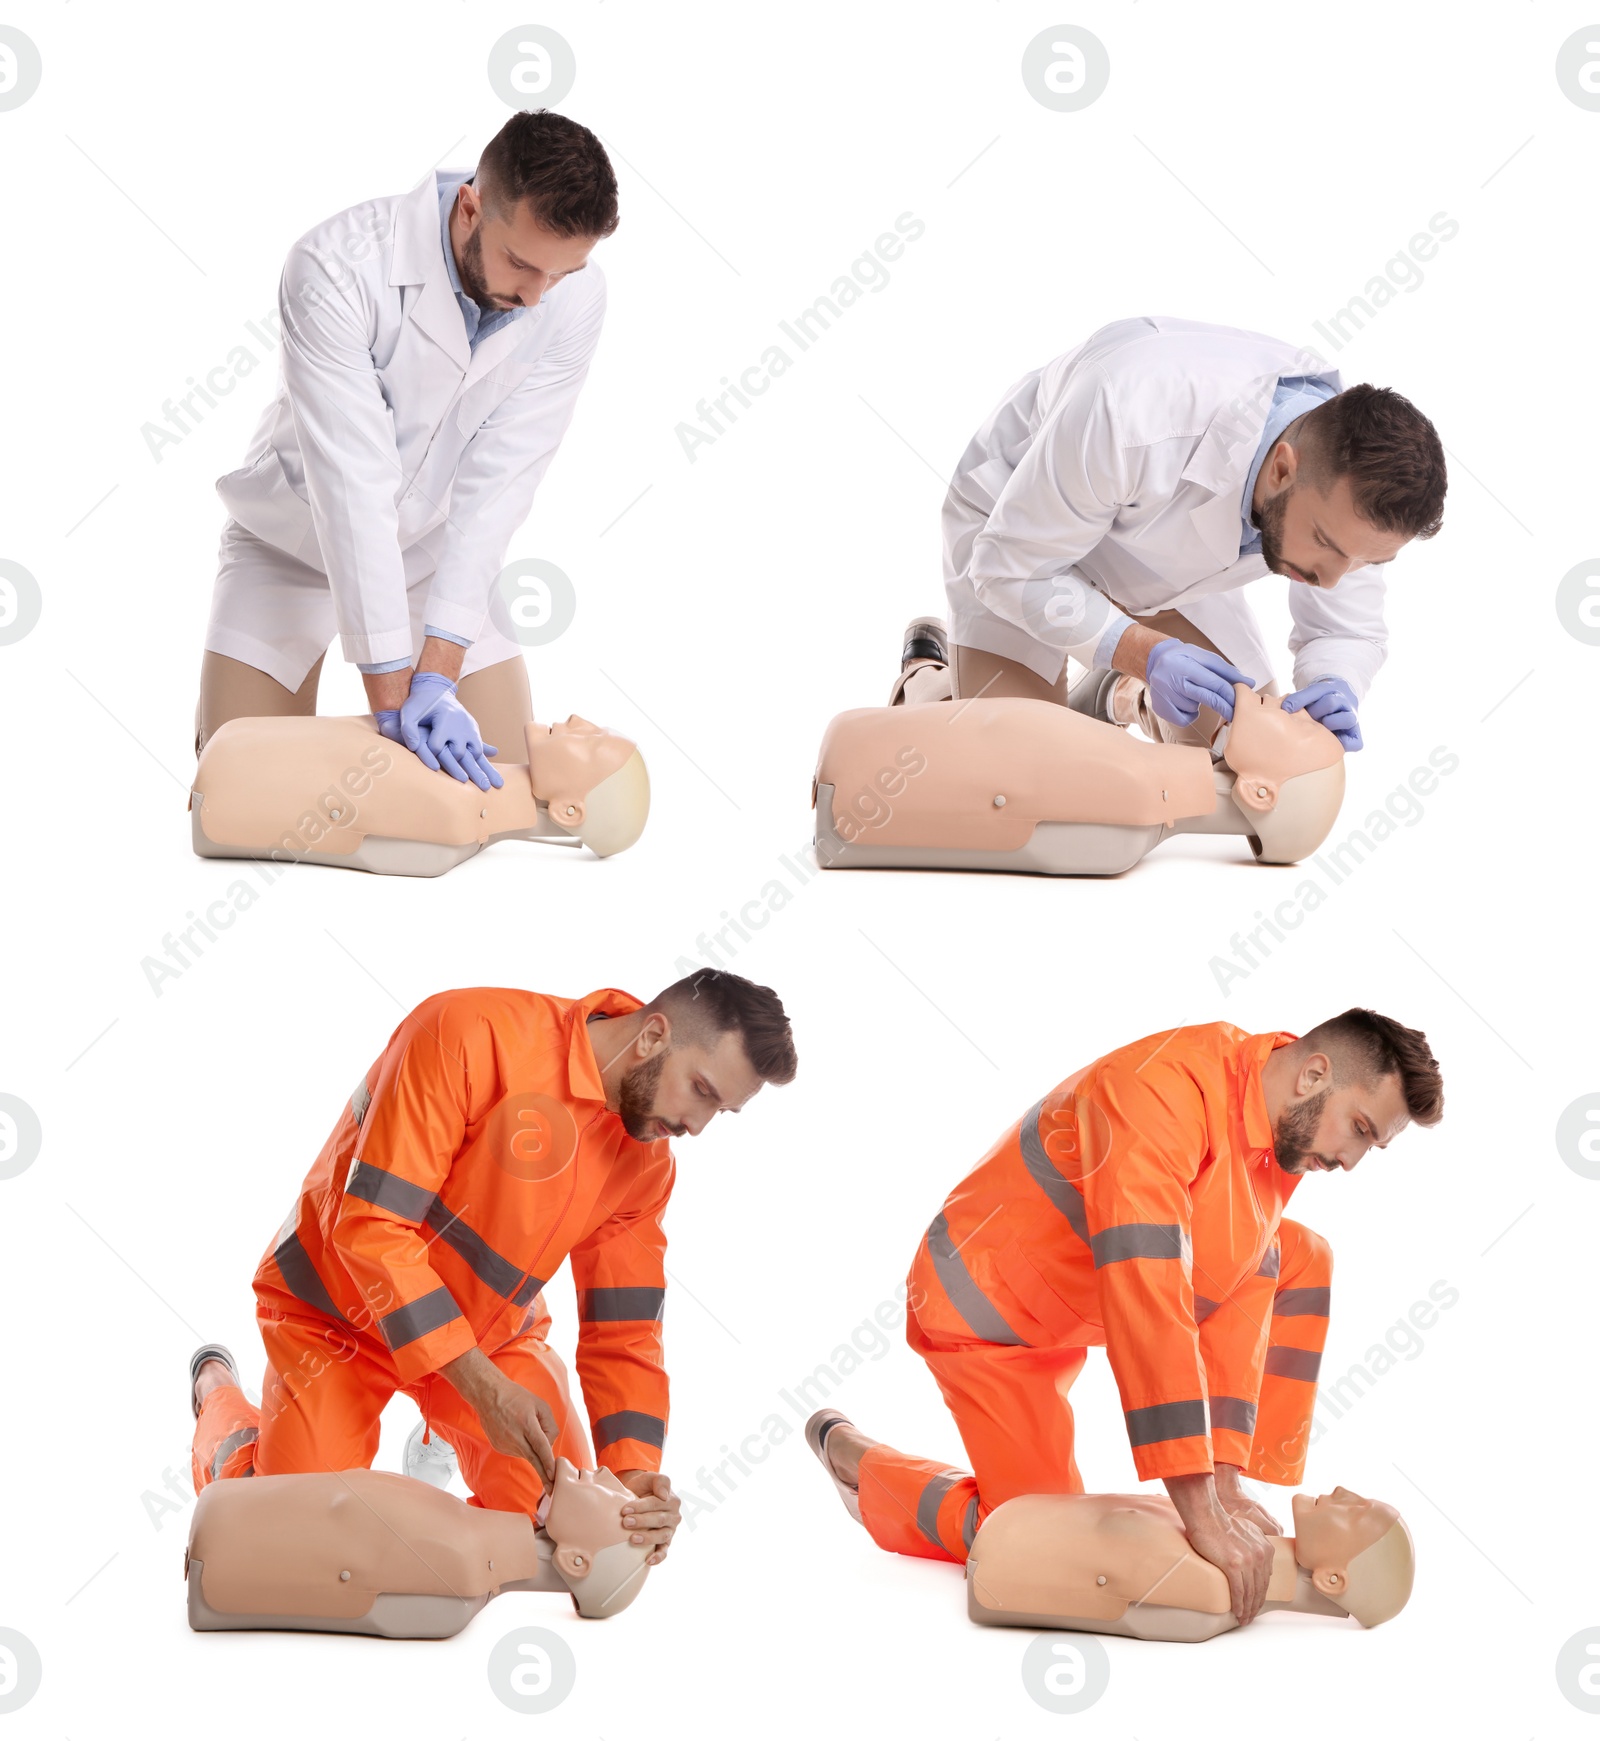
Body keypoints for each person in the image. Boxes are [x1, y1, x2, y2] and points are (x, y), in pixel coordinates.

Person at [808, 1010, 1443, 1623]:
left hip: (1073, 1300)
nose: (1353, 1161)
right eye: (1359, 1128)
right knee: (1026, 1537)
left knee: (1299, 1257)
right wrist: (1195, 1507)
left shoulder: (1275, 1126)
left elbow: (1241, 1281)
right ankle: (860, 1465)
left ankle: (1228, 1481)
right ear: (1312, 1075)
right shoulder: (1158, 1092)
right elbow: (1150, 1289)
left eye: (1373, 1146)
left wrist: (1224, 1486)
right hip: (987, 1307)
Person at [188, 971, 798, 1570]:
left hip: (487, 1338)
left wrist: (633, 1477)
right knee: (289, 1545)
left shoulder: (647, 1165)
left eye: (724, 1111)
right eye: (702, 1091)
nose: (698, 1125)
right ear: (652, 1037)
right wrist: (480, 1390)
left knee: (573, 1534)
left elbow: (626, 1330)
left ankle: (436, 1438)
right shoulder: (464, 1033)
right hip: (335, 1317)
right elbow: (370, 1227)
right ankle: (218, 1396)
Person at [197, 109, 619, 790]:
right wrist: (397, 708)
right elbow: (353, 488)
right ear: (470, 207)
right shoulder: (335, 268)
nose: (537, 296)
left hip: (432, 548)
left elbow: (501, 486)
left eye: (561, 273)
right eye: (520, 263)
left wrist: (438, 673)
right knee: (237, 791)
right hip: (292, 542)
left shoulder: (570, 298)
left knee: (504, 781)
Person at [894, 316, 1448, 755]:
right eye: (1326, 544)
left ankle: (1120, 694)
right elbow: (1012, 569)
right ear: (1281, 469)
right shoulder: (1130, 407)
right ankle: (927, 676)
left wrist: (1338, 681)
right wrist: (1146, 651)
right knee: (1013, 776)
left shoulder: (1348, 489)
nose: (1332, 581)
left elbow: (1346, 629)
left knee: (1256, 752)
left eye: (1364, 562)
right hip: (1019, 533)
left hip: (1157, 567)